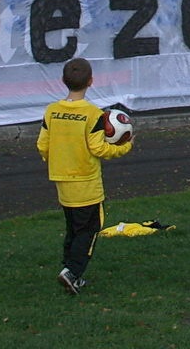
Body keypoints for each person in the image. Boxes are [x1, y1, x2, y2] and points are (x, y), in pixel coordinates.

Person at [37, 58, 133, 295]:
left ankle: (68, 270)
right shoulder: (93, 114)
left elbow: (42, 145)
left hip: (62, 180)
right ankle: (72, 271)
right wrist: (125, 146)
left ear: (63, 81)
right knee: (89, 229)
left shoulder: (52, 111)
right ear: (91, 81)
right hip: (86, 182)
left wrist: (59, 158)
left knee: (73, 227)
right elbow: (99, 149)